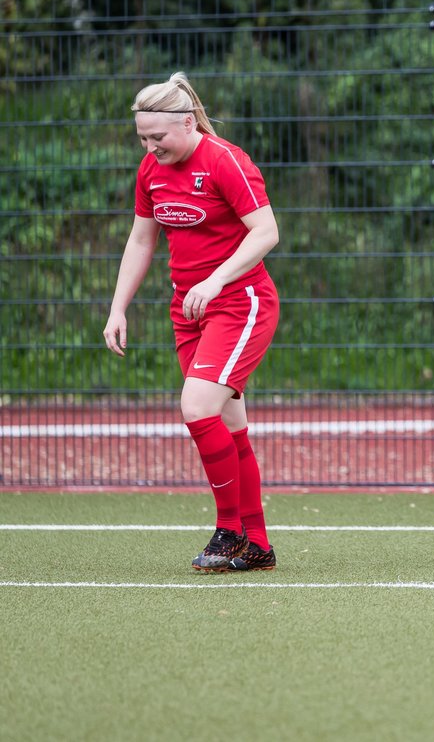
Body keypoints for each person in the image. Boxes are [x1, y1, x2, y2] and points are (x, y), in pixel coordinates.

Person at [104, 72, 280, 572]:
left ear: (187, 121)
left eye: (158, 136)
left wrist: (215, 280)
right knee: (227, 424)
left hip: (241, 302)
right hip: (190, 311)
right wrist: (118, 308)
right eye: (142, 137)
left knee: (197, 407)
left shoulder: (227, 161)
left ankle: (228, 532)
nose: (150, 146)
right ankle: (258, 544)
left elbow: (266, 231)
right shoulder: (150, 171)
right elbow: (141, 241)